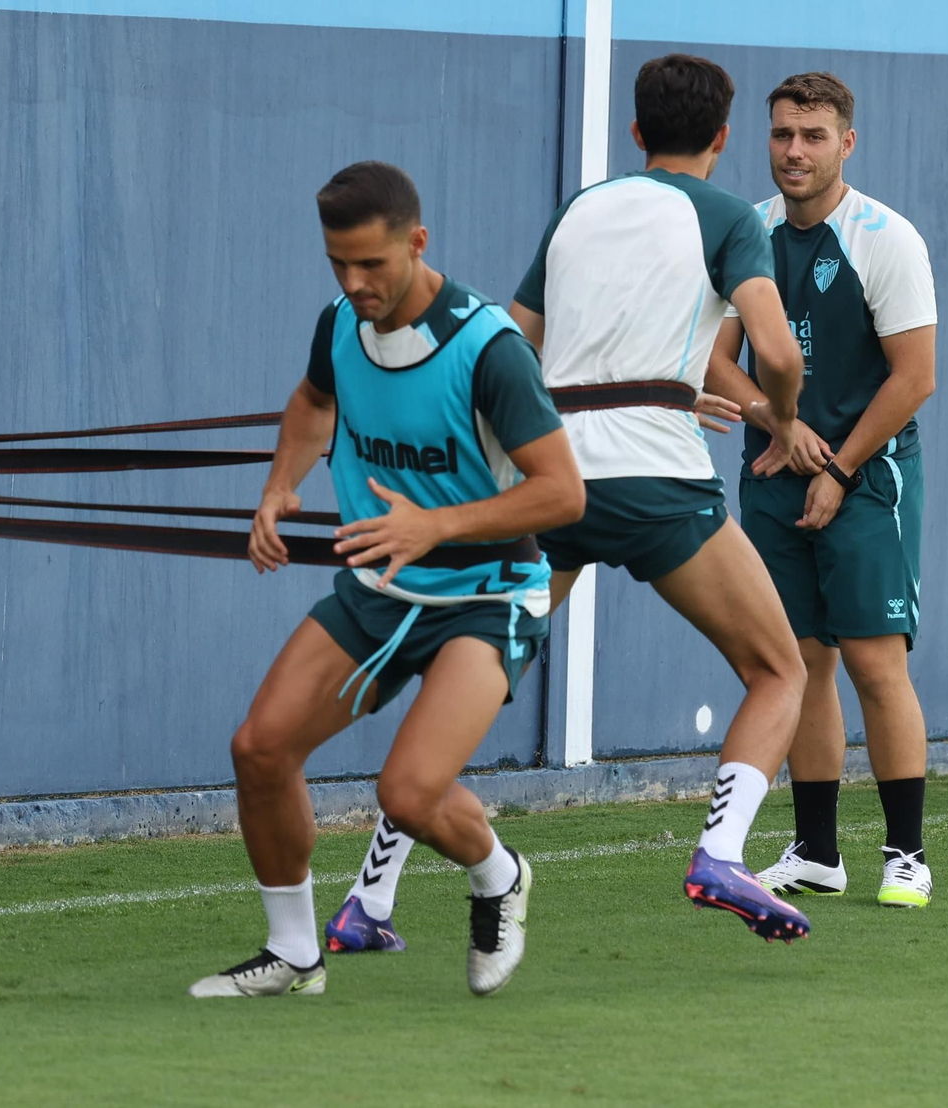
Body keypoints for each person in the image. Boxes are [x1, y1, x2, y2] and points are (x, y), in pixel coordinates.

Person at [326, 56, 819, 953]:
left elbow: (512, 345)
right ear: (724, 137)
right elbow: (778, 356)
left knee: (459, 687)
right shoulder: (730, 218)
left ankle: (371, 899)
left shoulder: (580, 208)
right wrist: (779, 421)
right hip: (654, 483)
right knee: (778, 670)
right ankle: (720, 852)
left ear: (635, 134)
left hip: (549, 482)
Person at [189, 160, 586, 998]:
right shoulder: (339, 324)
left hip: (485, 599)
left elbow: (561, 491)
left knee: (407, 795)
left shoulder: (489, 351)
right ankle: (295, 955)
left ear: (418, 241)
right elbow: (310, 401)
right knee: (260, 750)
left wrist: (431, 525)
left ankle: (500, 877)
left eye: (372, 263)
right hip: (379, 593)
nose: (354, 282)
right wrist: (278, 486)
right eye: (338, 263)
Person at [705, 72, 938, 908]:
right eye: (781, 135)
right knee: (798, 662)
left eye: (812, 136)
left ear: (847, 143)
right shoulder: (747, 231)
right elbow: (713, 358)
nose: (794, 152)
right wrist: (780, 422)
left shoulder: (886, 238)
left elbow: (915, 379)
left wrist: (838, 469)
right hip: (774, 475)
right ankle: (815, 853)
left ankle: (906, 855)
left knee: (876, 665)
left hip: (869, 479)